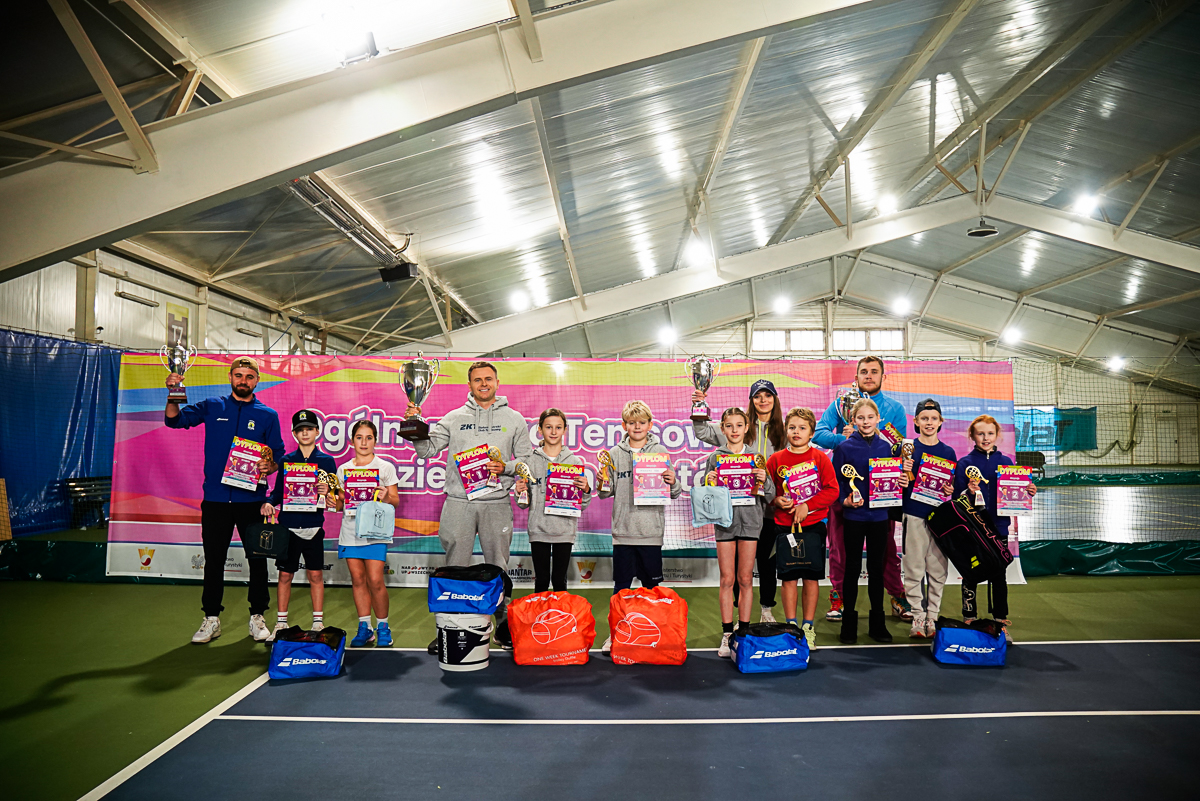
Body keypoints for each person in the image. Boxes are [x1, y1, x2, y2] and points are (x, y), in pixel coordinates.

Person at [408, 361, 533, 652]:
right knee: (454, 567)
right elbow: (427, 450)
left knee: (498, 567)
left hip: (496, 503)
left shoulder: (514, 419)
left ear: (497, 382)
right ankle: (448, 628)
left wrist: (506, 467)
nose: (484, 384)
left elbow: (527, 460)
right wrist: (415, 426)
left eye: (488, 379)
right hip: (459, 503)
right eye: (478, 380)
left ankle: (503, 627)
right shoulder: (453, 418)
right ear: (469, 385)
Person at [166, 356, 283, 645]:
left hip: (252, 501)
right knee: (214, 560)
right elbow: (174, 420)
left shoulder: (268, 415)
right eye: (239, 375)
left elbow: (278, 455)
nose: (244, 380)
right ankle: (211, 618)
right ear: (230, 377)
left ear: (257, 381)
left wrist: (270, 466)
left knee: (258, 560)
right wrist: (173, 393)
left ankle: (258, 616)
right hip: (216, 501)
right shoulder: (212, 406)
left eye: (249, 376)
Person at [814, 356, 911, 624]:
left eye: (874, 371)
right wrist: (844, 439)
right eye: (864, 372)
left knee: (887, 549)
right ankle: (839, 597)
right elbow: (818, 433)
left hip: (881, 493)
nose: (869, 375)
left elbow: (898, 447)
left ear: (883, 376)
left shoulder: (895, 408)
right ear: (856, 377)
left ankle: (896, 595)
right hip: (846, 491)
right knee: (839, 547)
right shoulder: (840, 403)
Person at [693, 379, 785, 622]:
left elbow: (773, 487)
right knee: (732, 575)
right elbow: (702, 432)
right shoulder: (721, 452)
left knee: (764, 564)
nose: (763, 400)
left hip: (763, 513)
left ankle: (765, 610)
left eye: (768, 395)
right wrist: (699, 408)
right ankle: (733, 620)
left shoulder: (783, 432)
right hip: (731, 517)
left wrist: (768, 484)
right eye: (758, 396)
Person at [598, 400, 683, 654]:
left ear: (650, 425)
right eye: (632, 422)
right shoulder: (614, 454)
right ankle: (616, 633)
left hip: (650, 534)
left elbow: (675, 492)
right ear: (624, 425)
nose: (637, 427)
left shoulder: (660, 452)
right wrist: (603, 479)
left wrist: (673, 480)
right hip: (623, 533)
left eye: (642, 422)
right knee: (621, 590)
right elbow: (605, 493)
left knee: (653, 591)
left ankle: (656, 633)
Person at [953, 414, 1037, 642]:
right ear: (972, 436)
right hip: (972, 528)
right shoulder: (964, 463)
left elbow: (1017, 491)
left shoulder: (1007, 462)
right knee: (970, 574)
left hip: (999, 527)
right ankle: (969, 618)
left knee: (999, 576)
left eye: (990, 433)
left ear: (997, 435)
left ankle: (1000, 621)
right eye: (980, 433)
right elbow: (956, 498)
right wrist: (969, 491)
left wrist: (1028, 491)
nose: (985, 437)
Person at [701, 407, 774, 657]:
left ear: (746, 428)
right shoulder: (715, 458)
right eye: (729, 425)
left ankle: (742, 632)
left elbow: (771, 495)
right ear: (722, 428)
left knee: (745, 579)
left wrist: (764, 479)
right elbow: (706, 495)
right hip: (724, 524)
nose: (734, 430)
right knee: (726, 579)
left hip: (751, 523)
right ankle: (726, 634)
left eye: (739, 425)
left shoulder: (756, 458)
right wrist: (709, 480)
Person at [767, 408, 840, 651]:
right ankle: (791, 626)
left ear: (811, 432)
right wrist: (776, 501)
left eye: (802, 428)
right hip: (783, 527)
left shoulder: (820, 458)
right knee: (788, 579)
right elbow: (767, 492)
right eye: (792, 427)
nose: (796, 432)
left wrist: (807, 506)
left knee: (810, 578)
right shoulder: (775, 460)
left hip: (813, 527)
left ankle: (808, 627)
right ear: (785, 430)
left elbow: (832, 490)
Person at [260, 410, 337, 641]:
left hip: (314, 527)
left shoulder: (326, 461)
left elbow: (334, 497)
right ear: (294, 434)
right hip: (288, 528)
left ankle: (318, 622)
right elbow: (278, 493)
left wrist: (328, 492)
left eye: (309, 429)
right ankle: (281, 623)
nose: (305, 433)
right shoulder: (286, 461)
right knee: (285, 575)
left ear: (317, 432)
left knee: (315, 575)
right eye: (300, 429)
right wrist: (269, 502)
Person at [831, 398, 896, 644]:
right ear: (853, 420)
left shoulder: (887, 448)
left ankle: (878, 624)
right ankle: (848, 625)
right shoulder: (844, 448)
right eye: (861, 418)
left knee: (877, 569)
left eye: (870, 417)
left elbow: (892, 481)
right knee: (852, 568)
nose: (866, 422)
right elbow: (835, 482)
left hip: (880, 517)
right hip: (854, 517)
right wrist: (844, 501)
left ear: (878, 419)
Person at [334, 420, 400, 647]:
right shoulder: (342, 469)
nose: (364, 442)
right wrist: (331, 499)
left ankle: (383, 627)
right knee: (358, 580)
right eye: (359, 437)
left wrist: (385, 496)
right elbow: (340, 504)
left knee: (375, 580)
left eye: (369, 437)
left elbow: (395, 501)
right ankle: (365, 628)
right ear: (352, 441)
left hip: (375, 532)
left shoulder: (385, 467)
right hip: (350, 531)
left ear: (375, 440)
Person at [896, 399, 956, 639]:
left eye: (933, 418)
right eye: (924, 418)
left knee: (938, 569)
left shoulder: (948, 452)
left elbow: (950, 485)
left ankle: (933, 616)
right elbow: (893, 483)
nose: (929, 422)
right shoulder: (906, 449)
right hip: (913, 514)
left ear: (941, 422)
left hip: (939, 518)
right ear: (916, 421)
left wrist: (951, 489)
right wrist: (901, 480)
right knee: (913, 567)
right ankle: (917, 617)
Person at [516, 408, 592, 593]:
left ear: (565, 430)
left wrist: (586, 490)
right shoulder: (530, 462)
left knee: (559, 580)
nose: (553, 431)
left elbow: (581, 504)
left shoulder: (574, 462)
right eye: (548, 427)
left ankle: (560, 612)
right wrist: (520, 492)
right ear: (540, 429)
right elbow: (523, 504)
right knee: (541, 580)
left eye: (558, 427)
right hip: (538, 529)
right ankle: (540, 612)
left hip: (564, 530)